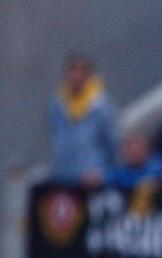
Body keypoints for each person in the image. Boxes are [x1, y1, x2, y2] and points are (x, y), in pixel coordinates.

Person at [48, 54, 118, 185]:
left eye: (82, 71)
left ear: (89, 76)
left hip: (91, 179)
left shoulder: (102, 106)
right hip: (62, 175)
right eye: (73, 70)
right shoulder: (57, 105)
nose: (76, 76)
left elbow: (111, 143)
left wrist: (103, 172)